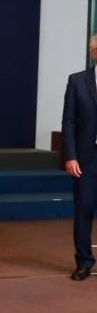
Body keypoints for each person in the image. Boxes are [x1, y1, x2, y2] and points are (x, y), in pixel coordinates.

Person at [62, 35, 97, 281]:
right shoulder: (78, 81)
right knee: (84, 209)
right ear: (94, 53)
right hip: (86, 158)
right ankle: (84, 261)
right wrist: (71, 156)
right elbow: (69, 121)